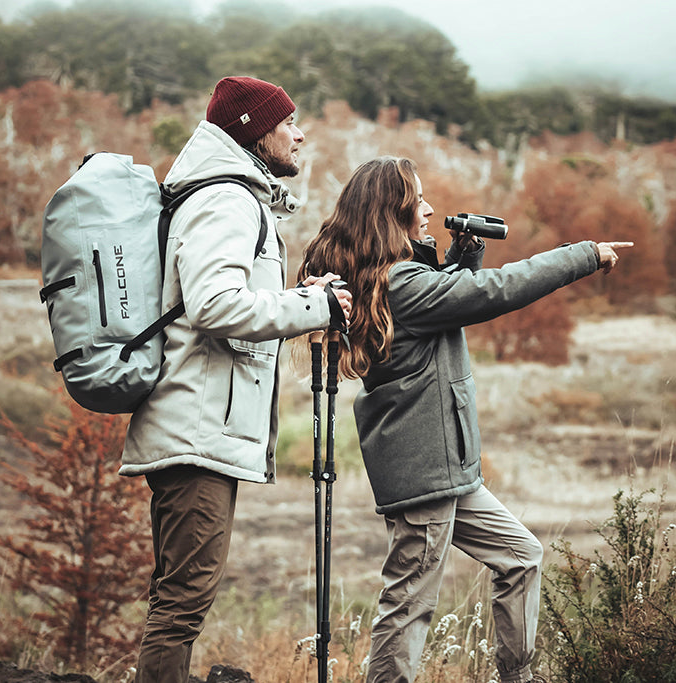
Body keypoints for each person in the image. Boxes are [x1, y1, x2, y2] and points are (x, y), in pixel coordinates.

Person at [297, 156, 632, 683]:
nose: (429, 209)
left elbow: (447, 301)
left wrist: (458, 257)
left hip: (446, 467)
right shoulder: (398, 284)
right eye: (418, 201)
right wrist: (583, 255)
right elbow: (490, 294)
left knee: (521, 556)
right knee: (409, 602)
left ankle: (514, 676)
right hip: (426, 469)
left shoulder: (395, 279)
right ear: (393, 211)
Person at [120, 76, 352, 683]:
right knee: (181, 605)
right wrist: (313, 308)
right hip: (196, 435)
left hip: (196, 429)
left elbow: (228, 298)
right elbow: (215, 306)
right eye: (288, 123)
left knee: (177, 596)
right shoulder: (226, 199)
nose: (300, 135)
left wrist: (302, 298)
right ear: (253, 130)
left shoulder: (230, 195)